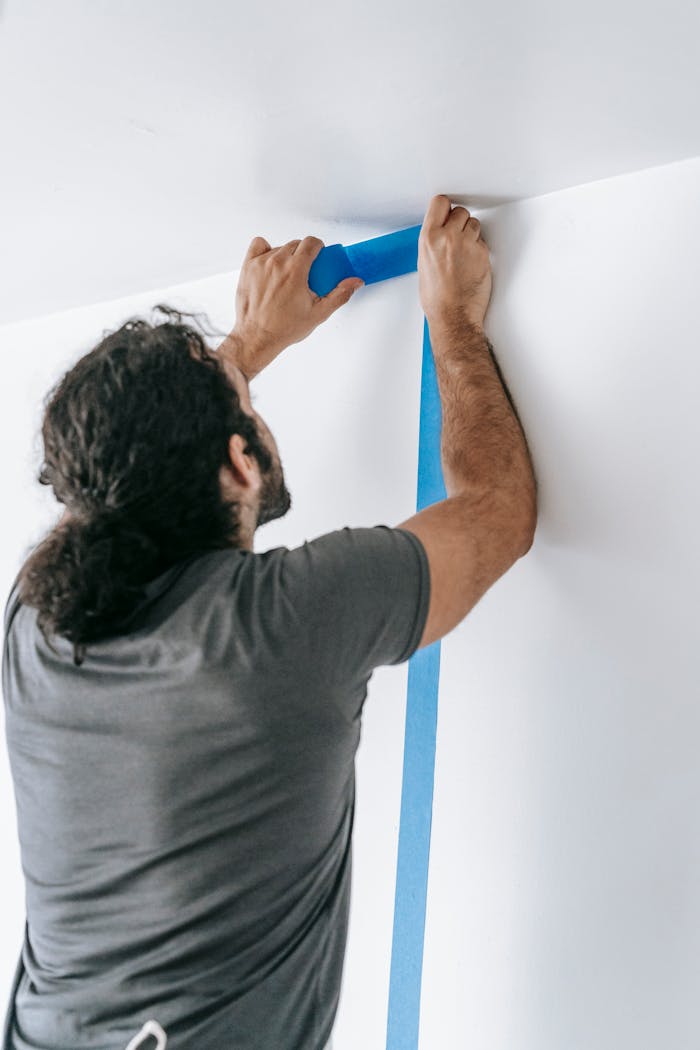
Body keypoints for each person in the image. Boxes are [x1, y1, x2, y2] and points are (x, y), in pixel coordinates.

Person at [1, 195, 537, 1050]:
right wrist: (454, 322)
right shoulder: (284, 625)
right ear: (241, 465)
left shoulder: (40, 622)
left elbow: (116, 472)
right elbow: (498, 509)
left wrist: (250, 342)